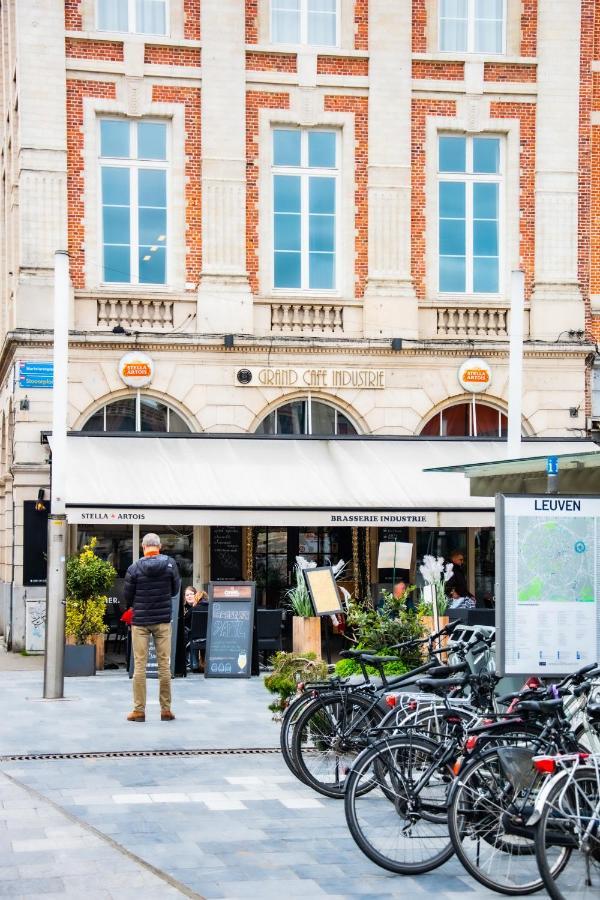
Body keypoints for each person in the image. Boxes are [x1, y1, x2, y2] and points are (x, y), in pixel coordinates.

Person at [124, 532, 181, 723]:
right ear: (160, 546)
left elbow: (128, 596)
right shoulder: (170, 565)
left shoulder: (134, 568)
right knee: (164, 665)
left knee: (140, 665)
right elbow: (175, 590)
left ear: (143, 547)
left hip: (140, 621)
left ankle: (138, 711)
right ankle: (166, 710)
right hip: (163, 620)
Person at [183, 585, 207, 672]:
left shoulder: (192, 609)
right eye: (187, 595)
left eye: (191, 594)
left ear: (196, 595)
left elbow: (184, 622)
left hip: (193, 637)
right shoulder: (184, 608)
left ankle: (194, 664)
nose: (189, 596)